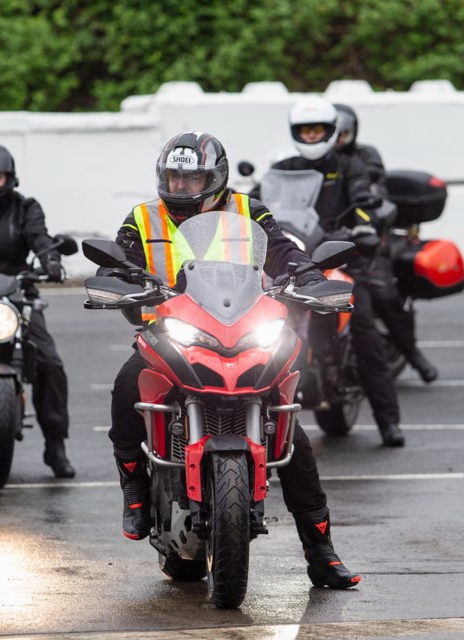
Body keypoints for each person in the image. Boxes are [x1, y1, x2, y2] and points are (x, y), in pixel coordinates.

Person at [106, 131, 361, 590]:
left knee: (293, 438)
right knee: (128, 386)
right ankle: (135, 489)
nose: (182, 187)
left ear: (217, 178)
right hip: (170, 331)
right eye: (174, 179)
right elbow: (117, 261)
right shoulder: (142, 218)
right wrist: (115, 280)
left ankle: (322, 554)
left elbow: (285, 251)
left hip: (242, 330)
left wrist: (308, 277)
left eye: (193, 179)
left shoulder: (250, 210)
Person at [260, 96, 407, 447]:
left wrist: (362, 227)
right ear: (296, 133)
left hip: (339, 258)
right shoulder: (286, 166)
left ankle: (389, 423)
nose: (311, 137)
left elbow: (364, 201)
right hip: (293, 259)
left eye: (318, 131)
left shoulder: (349, 166)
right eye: (305, 131)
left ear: (331, 131)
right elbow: (259, 200)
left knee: (366, 333)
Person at [0, 143, 75, 478]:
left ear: (10, 179)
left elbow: (39, 238)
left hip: (17, 293)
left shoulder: (25, 207)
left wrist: (51, 260)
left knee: (50, 363)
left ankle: (55, 445)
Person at [333, 103, 438, 383]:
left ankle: (413, 354)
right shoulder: (310, 161)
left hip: (369, 236)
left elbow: (373, 188)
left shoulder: (365, 156)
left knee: (382, 294)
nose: (336, 140)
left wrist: (364, 217)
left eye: (341, 134)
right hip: (325, 236)